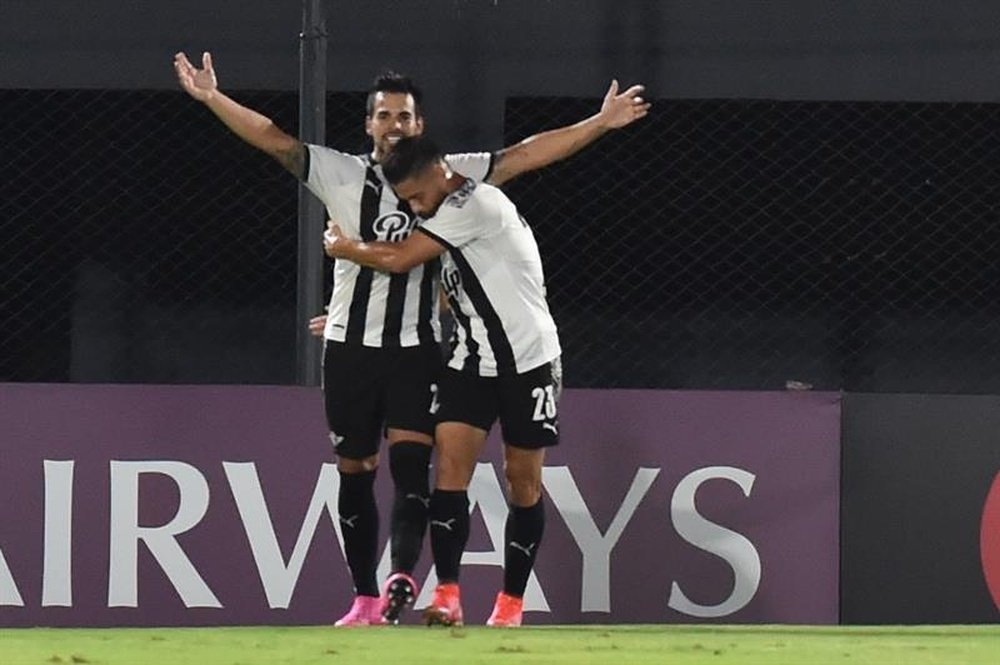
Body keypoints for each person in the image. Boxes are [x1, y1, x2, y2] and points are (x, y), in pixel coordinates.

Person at [173, 50, 648, 626]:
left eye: (404, 117)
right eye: (383, 116)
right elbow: (275, 140)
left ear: (419, 126)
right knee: (361, 467)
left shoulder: (456, 177)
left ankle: (423, 584)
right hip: (361, 346)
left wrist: (598, 123)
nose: (393, 126)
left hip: (426, 348)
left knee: (428, 469)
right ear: (368, 123)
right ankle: (380, 597)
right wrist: (212, 98)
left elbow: (523, 155)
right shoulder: (341, 173)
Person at [324, 135, 563, 628]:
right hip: (470, 361)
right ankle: (448, 595)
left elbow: (398, 259)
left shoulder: (472, 203)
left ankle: (510, 604)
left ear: (439, 172)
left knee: (523, 482)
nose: (412, 207)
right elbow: (452, 293)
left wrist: (344, 248)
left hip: (529, 360)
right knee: (449, 477)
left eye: (415, 196)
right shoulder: (442, 218)